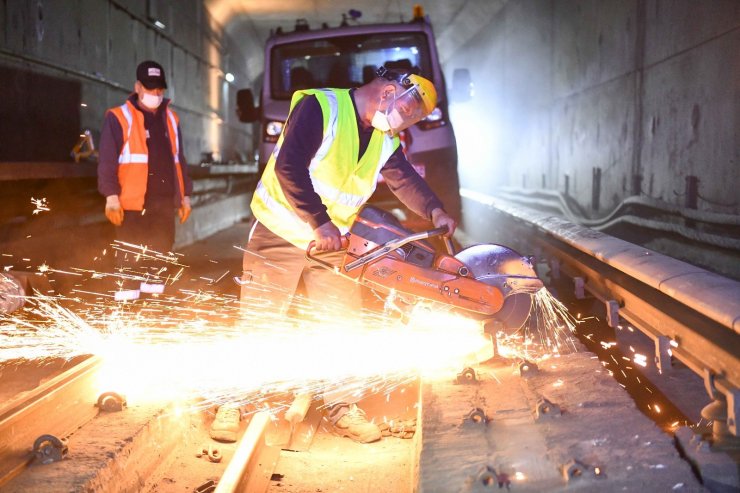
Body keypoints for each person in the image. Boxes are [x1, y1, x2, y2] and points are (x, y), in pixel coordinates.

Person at [209, 66, 457, 444]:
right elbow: (287, 166)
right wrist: (319, 221)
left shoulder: (383, 137)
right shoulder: (320, 107)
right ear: (389, 92)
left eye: (415, 118)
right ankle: (234, 401)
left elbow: (404, 178)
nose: (405, 122)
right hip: (281, 232)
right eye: (408, 112)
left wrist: (435, 210)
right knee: (260, 321)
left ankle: (342, 406)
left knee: (342, 324)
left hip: (333, 245)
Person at [97, 61, 193, 301]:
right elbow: (107, 160)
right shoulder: (118, 117)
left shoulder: (172, 119)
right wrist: (111, 197)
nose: (156, 94)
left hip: (163, 203)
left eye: (160, 89)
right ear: (137, 87)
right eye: (150, 89)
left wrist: (185, 196)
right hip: (131, 205)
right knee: (129, 258)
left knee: (158, 258)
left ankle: (152, 309)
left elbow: (179, 160)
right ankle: (127, 310)